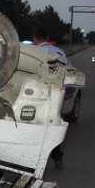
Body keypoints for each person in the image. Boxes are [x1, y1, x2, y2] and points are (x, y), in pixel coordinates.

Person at [32, 27, 66, 168]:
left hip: (39, 94)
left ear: (35, 39)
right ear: (46, 36)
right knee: (52, 124)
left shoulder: (34, 52)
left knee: (35, 124)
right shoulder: (60, 52)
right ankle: (57, 156)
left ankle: (34, 158)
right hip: (56, 94)